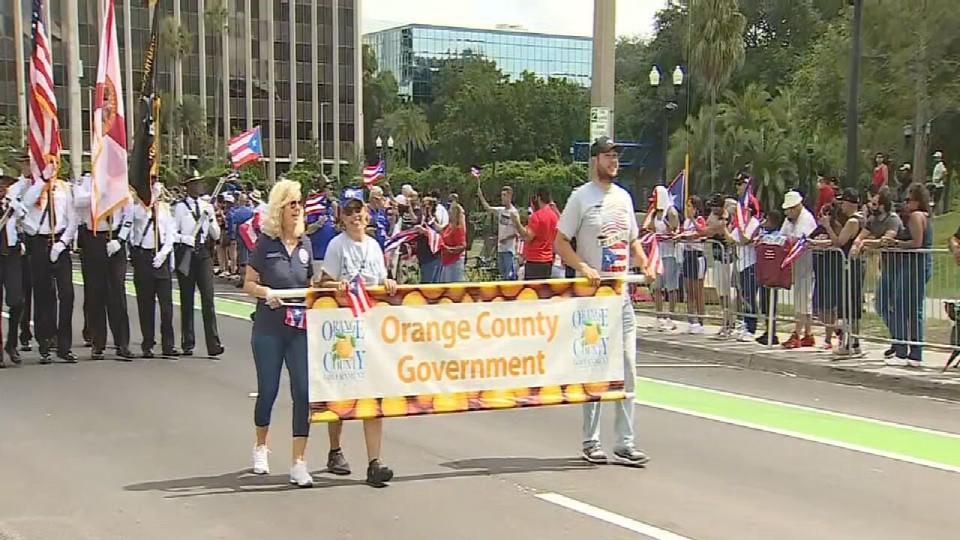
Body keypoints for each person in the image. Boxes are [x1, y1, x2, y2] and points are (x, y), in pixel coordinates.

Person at [554, 136, 654, 467]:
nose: (613, 161)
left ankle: (625, 441)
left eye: (616, 156)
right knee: (595, 366)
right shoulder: (581, 198)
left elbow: (634, 240)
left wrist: (645, 263)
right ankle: (591, 440)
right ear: (595, 159)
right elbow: (561, 242)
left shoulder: (624, 198)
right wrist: (582, 267)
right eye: (608, 155)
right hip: (592, 299)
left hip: (620, 296)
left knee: (628, 365)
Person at [319, 190, 397, 488]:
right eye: (349, 212)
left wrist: (389, 283)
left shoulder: (375, 247)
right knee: (341, 392)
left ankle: (374, 461)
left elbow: (381, 281)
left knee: (373, 394)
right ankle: (335, 449)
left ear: (366, 215)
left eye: (358, 212)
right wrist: (335, 284)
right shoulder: (337, 246)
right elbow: (322, 280)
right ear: (343, 217)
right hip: (343, 327)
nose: (355, 217)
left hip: (370, 328)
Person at [243, 180, 317, 488]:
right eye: (291, 204)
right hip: (269, 327)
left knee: (303, 391)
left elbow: (310, 284)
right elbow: (248, 283)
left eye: (299, 202)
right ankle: (261, 445)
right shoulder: (265, 244)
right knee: (269, 389)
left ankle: (299, 462)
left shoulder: (306, 246)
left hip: (299, 328)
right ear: (279, 210)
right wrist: (266, 292)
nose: (297, 208)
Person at [74, 174, 136, 360]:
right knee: (95, 293)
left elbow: (128, 213)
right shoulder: (85, 182)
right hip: (93, 237)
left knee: (117, 292)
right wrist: (100, 192)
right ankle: (97, 342)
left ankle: (122, 343)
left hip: (115, 239)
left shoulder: (120, 183)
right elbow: (79, 203)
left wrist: (121, 239)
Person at [21, 167, 79, 363]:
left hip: (60, 243)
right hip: (39, 243)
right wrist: (41, 181)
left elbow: (73, 219)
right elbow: (26, 204)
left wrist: (63, 243)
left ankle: (64, 345)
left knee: (67, 295)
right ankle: (44, 343)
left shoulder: (65, 188)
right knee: (43, 294)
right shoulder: (33, 187)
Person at [173, 172, 224, 357]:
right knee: (187, 299)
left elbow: (216, 235)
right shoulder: (179, 208)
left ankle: (213, 343)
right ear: (187, 187)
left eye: (199, 184)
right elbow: (172, 233)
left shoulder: (206, 206)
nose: (198, 187)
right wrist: (183, 238)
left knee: (208, 299)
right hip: (186, 252)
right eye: (194, 184)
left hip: (203, 254)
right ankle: (188, 342)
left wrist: (210, 218)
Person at [882, 183, 932, 366]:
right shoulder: (924, 216)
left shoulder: (916, 216)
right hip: (918, 265)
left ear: (917, 200)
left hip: (913, 266)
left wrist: (896, 244)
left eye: (908, 200)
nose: (906, 203)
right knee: (911, 309)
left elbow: (916, 242)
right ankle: (913, 352)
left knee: (903, 307)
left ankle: (904, 351)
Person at [809, 188, 863, 353]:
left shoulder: (854, 221)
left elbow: (839, 242)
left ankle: (850, 342)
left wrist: (828, 227)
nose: (841, 205)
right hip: (848, 264)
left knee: (848, 305)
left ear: (849, 203)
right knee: (848, 305)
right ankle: (851, 341)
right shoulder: (854, 219)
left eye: (843, 202)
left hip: (851, 265)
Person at [130, 181, 180, 359]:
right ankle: (148, 343)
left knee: (166, 306)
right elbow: (134, 223)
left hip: (161, 258)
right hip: (143, 257)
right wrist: (145, 203)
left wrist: (164, 253)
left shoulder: (165, 209)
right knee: (146, 304)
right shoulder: (137, 209)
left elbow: (170, 234)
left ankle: (168, 344)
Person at [852, 187, 902, 358]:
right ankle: (897, 338)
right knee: (880, 304)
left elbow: (887, 239)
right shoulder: (872, 219)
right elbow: (861, 236)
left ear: (883, 205)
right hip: (886, 267)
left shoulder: (893, 219)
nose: (871, 206)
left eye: (875, 203)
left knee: (898, 307)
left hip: (901, 267)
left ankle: (900, 341)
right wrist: (857, 244)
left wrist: (866, 243)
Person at [780, 190, 818, 349]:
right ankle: (808, 334)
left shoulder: (806, 219)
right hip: (797, 265)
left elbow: (799, 239)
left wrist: (787, 240)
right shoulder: (790, 220)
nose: (787, 212)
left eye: (790, 209)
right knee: (802, 300)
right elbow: (783, 235)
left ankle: (797, 333)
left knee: (803, 300)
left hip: (807, 264)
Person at [0, 173, 27, 367]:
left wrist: (14, 206)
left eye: (5, 186)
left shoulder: (12, 204)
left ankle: (12, 343)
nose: (2, 189)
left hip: (11, 255)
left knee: (17, 301)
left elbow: (24, 220)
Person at [645, 185, 680, 332]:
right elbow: (647, 227)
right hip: (657, 254)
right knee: (657, 287)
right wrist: (652, 212)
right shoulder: (656, 213)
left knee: (670, 288)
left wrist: (668, 233)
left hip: (670, 254)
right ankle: (659, 316)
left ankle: (670, 317)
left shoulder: (671, 212)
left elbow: (675, 231)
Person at [512, 186, 559, 280]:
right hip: (548, 260)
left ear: (538, 198)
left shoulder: (536, 216)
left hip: (534, 260)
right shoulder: (554, 216)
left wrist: (516, 222)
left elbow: (527, 237)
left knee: (532, 291)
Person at [478, 183, 519, 280]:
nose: (502, 198)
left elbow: (517, 232)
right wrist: (481, 196)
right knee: (503, 274)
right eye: (502, 195)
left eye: (504, 195)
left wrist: (506, 238)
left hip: (509, 250)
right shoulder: (501, 210)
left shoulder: (514, 212)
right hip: (500, 249)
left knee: (510, 275)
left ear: (510, 196)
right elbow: (488, 208)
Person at [680, 195, 707, 334]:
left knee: (698, 291)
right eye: (687, 206)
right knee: (689, 290)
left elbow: (700, 233)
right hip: (687, 255)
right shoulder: (685, 222)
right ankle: (692, 321)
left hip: (697, 257)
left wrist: (692, 219)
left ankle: (701, 321)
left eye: (690, 206)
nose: (688, 209)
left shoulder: (700, 220)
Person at [415, 197, 443, 284]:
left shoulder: (433, 220)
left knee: (430, 283)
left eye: (426, 206)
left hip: (432, 256)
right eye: (422, 206)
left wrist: (424, 232)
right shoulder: (420, 219)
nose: (423, 209)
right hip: (423, 255)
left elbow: (438, 235)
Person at [439, 200, 467, 283]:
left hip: (455, 261)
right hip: (446, 261)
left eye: (450, 211)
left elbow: (463, 245)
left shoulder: (458, 228)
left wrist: (450, 249)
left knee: (453, 286)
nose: (449, 212)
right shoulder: (448, 226)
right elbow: (440, 230)